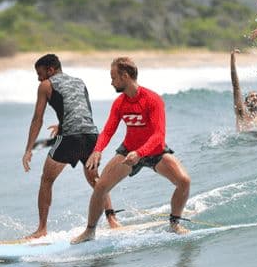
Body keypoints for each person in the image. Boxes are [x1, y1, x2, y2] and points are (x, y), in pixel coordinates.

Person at [70, 57, 192, 244]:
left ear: (125, 76)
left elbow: (159, 135)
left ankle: (174, 224)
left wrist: (140, 153)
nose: (111, 82)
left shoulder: (152, 100)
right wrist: (98, 150)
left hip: (155, 152)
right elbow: (108, 130)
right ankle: (89, 231)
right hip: (128, 151)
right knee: (101, 187)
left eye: (113, 77)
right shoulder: (120, 103)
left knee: (184, 181)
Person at [22, 53, 121, 239]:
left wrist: (29, 149)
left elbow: (37, 119)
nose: (38, 77)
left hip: (70, 138)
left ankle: (42, 229)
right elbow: (82, 110)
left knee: (46, 180)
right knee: (95, 180)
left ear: (50, 70)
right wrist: (62, 125)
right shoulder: (79, 82)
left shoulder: (45, 85)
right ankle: (112, 219)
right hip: (91, 135)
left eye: (40, 73)